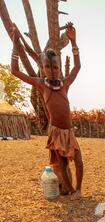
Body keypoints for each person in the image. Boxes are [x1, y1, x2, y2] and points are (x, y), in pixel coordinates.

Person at [11, 23, 83, 195]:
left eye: (55, 67)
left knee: (79, 162)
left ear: (59, 68)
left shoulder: (64, 84)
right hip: (56, 132)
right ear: (43, 69)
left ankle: (79, 189)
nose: (52, 71)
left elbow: (77, 67)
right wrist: (15, 43)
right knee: (63, 164)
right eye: (48, 67)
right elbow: (14, 71)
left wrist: (74, 43)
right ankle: (72, 191)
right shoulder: (41, 84)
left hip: (69, 131)